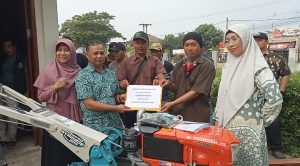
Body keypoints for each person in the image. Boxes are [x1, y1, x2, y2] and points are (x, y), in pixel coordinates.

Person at [214, 24, 283, 165]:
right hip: (225, 131)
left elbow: (275, 99)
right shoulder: (229, 66)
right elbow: (222, 97)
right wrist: (217, 119)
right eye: (227, 41)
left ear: (245, 39)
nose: (230, 44)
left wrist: (258, 120)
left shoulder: (258, 67)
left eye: (234, 39)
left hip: (249, 135)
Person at [34, 38, 82, 166]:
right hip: (55, 119)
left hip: (75, 120)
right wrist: (55, 86)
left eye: (66, 50)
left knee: (74, 151)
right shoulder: (48, 71)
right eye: (59, 50)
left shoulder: (79, 71)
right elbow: (41, 97)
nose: (62, 53)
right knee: (56, 155)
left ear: (72, 52)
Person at [75, 40, 130, 132]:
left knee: (117, 146)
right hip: (95, 127)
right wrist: (116, 108)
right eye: (95, 53)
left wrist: (121, 97)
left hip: (115, 125)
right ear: (87, 55)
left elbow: (115, 94)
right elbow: (89, 104)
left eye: (101, 53)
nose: (99, 56)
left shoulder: (111, 73)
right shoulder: (82, 76)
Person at [160, 32, 215, 123]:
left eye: (193, 45)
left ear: (201, 47)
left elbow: (195, 92)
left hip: (197, 116)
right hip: (177, 115)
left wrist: (172, 104)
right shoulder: (179, 65)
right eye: (186, 45)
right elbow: (175, 87)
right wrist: (168, 84)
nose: (189, 48)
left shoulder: (207, 65)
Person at [117, 31, 166, 128]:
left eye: (143, 43)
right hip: (131, 105)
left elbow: (161, 75)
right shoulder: (126, 62)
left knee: (150, 132)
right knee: (131, 132)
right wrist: (121, 82)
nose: (140, 46)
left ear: (148, 45)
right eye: (137, 43)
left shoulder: (154, 61)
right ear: (133, 44)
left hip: (150, 106)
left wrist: (160, 79)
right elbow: (119, 80)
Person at [254, 32, 291, 159]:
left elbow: (286, 73)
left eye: (259, 40)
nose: (256, 42)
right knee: (253, 121)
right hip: (252, 97)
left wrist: (281, 91)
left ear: (266, 41)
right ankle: (256, 147)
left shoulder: (275, 57)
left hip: (270, 97)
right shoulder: (249, 58)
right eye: (255, 40)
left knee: (273, 122)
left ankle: (276, 148)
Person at [0, 39, 27, 149]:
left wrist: (26, 91)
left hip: (13, 92)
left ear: (14, 47)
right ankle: (3, 138)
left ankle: (11, 138)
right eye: (5, 47)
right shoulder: (3, 59)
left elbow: (26, 75)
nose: (7, 49)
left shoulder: (21, 59)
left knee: (12, 117)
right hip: (1, 91)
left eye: (9, 46)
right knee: (1, 117)